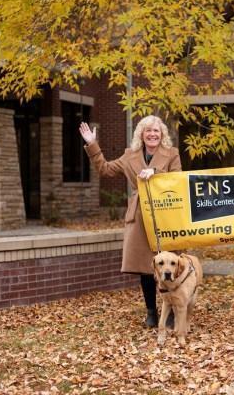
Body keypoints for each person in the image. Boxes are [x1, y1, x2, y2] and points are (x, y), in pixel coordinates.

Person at [79, 115, 181, 328]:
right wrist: (92, 144)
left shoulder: (172, 154)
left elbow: (177, 179)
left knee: (169, 266)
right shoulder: (130, 156)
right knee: (146, 267)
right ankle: (151, 312)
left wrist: (155, 172)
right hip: (140, 215)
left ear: (162, 133)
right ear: (141, 135)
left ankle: (171, 312)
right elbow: (104, 169)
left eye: (156, 130)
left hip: (166, 215)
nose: (152, 134)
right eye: (148, 131)